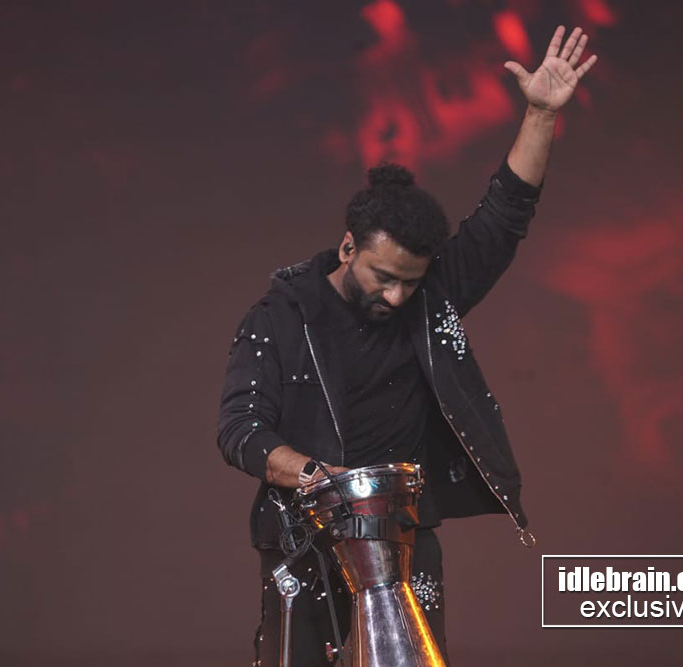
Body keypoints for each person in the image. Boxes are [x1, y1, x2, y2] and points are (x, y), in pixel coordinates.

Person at [218, 25, 597, 666]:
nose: (396, 297)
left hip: (404, 541)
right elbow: (240, 430)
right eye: (383, 277)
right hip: (305, 544)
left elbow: (505, 215)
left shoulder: (431, 296)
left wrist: (539, 113)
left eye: (410, 283)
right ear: (348, 247)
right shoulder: (280, 317)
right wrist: (320, 480)